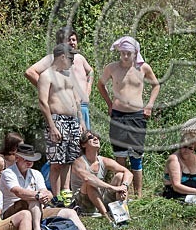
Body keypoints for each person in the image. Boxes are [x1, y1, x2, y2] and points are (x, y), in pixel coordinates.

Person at [0, 144, 112, 230]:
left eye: (32, 159)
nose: (29, 162)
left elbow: (46, 192)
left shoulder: (36, 173)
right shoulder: (8, 173)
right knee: (32, 199)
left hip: (36, 210)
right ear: (17, 158)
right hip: (12, 212)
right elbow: (18, 192)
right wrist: (38, 196)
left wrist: (46, 196)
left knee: (70, 212)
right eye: (26, 159)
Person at [97, 36, 160, 197]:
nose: (125, 56)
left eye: (128, 53)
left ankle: (138, 195)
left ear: (135, 53)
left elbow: (156, 85)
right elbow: (100, 84)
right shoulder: (112, 68)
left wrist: (149, 105)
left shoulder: (143, 68)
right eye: (122, 53)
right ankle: (121, 193)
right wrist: (109, 104)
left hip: (137, 115)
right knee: (120, 155)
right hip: (118, 114)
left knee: (136, 156)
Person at [25, 26, 94, 130]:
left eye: (74, 40)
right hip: (63, 111)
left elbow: (91, 71)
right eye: (68, 40)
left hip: (82, 107)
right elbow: (30, 72)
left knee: (86, 138)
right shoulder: (53, 58)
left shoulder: (80, 58)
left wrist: (88, 88)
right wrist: (50, 89)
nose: (72, 42)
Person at [38, 43, 83, 201]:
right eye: (71, 58)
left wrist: (80, 121)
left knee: (69, 159)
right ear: (62, 57)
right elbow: (43, 102)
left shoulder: (68, 75)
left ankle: (66, 192)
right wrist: (52, 126)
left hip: (72, 120)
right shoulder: (46, 75)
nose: (72, 61)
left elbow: (76, 99)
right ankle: (56, 197)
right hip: (57, 120)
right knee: (56, 161)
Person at [71, 130, 132, 219]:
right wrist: (113, 188)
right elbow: (87, 179)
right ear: (83, 145)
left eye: (97, 138)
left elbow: (128, 172)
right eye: (91, 137)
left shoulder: (104, 160)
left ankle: (122, 215)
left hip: (100, 196)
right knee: (90, 183)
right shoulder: (78, 162)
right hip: (82, 201)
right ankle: (107, 217)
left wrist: (124, 186)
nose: (96, 139)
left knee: (120, 176)